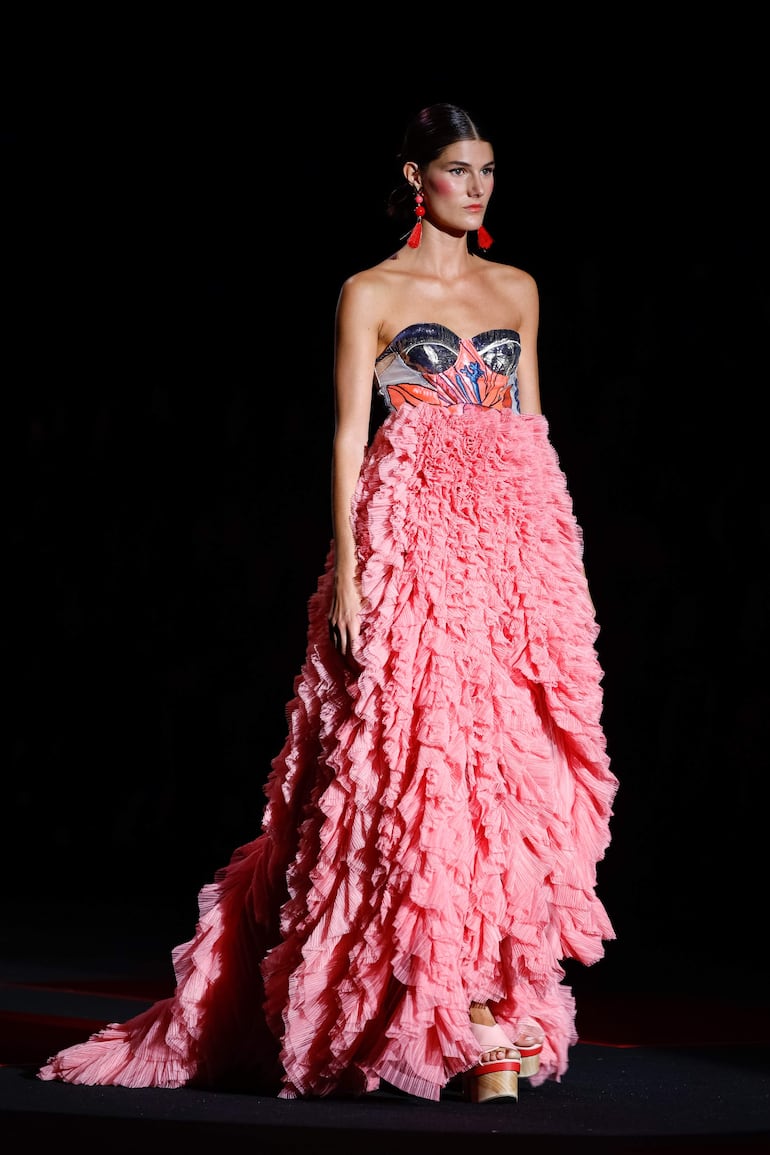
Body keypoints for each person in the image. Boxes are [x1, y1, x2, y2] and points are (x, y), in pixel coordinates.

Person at [38, 102, 617, 1105]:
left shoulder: (516, 289)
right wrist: (349, 578)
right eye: (456, 170)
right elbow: (348, 436)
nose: (475, 187)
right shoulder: (369, 293)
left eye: (487, 170)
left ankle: (486, 1004)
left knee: (499, 775)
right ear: (413, 178)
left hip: (514, 548)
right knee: (409, 768)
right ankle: (431, 1017)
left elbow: (529, 430)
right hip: (408, 541)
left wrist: (552, 570)